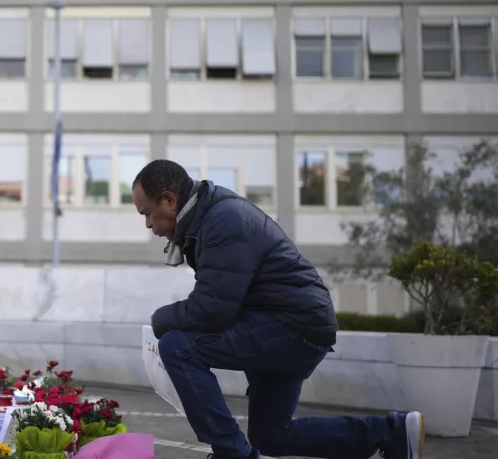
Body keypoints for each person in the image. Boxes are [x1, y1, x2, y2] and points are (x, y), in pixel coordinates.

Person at [131, 160, 423, 459]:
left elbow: (213, 310)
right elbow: (218, 301)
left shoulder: (222, 219)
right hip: (292, 324)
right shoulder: (208, 218)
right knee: (271, 437)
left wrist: (160, 319)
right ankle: (391, 433)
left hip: (291, 326)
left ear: (169, 200)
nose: (148, 225)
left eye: (147, 214)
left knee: (178, 347)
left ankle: (233, 455)